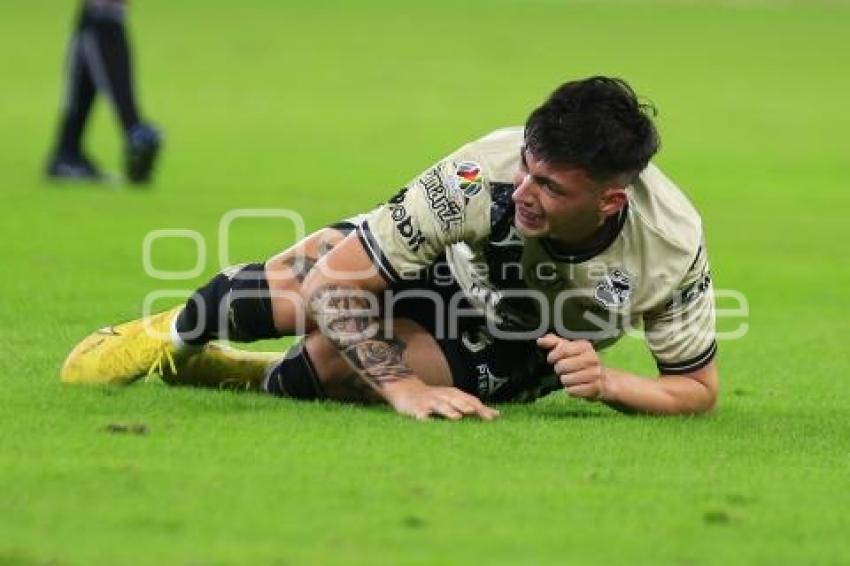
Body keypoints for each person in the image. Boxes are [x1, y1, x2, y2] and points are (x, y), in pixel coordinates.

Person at [60, 76, 718, 420]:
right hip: (446, 267)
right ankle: (170, 334)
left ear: (610, 201)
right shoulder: (479, 174)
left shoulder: (669, 244)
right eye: (527, 164)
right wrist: (402, 388)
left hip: (524, 339)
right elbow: (333, 284)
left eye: (549, 185)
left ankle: (246, 372)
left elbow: (695, 387)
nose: (524, 189)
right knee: (290, 288)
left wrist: (608, 381)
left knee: (320, 371)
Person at [46, 0, 161, 184]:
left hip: (98, 21)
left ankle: (68, 152)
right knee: (100, 26)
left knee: (93, 36)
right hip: (102, 23)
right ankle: (133, 131)